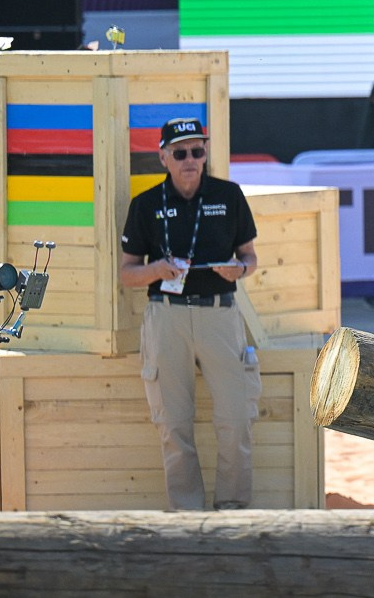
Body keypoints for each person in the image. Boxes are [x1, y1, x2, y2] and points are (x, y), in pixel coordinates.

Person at [116, 117, 260, 510]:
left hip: (219, 314)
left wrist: (240, 270)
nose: (190, 160)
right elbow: (127, 274)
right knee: (173, 425)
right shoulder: (146, 204)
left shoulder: (228, 195)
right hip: (167, 316)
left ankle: (231, 511)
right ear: (164, 156)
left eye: (198, 151)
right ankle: (187, 515)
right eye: (180, 153)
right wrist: (158, 270)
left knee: (235, 421)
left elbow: (250, 257)